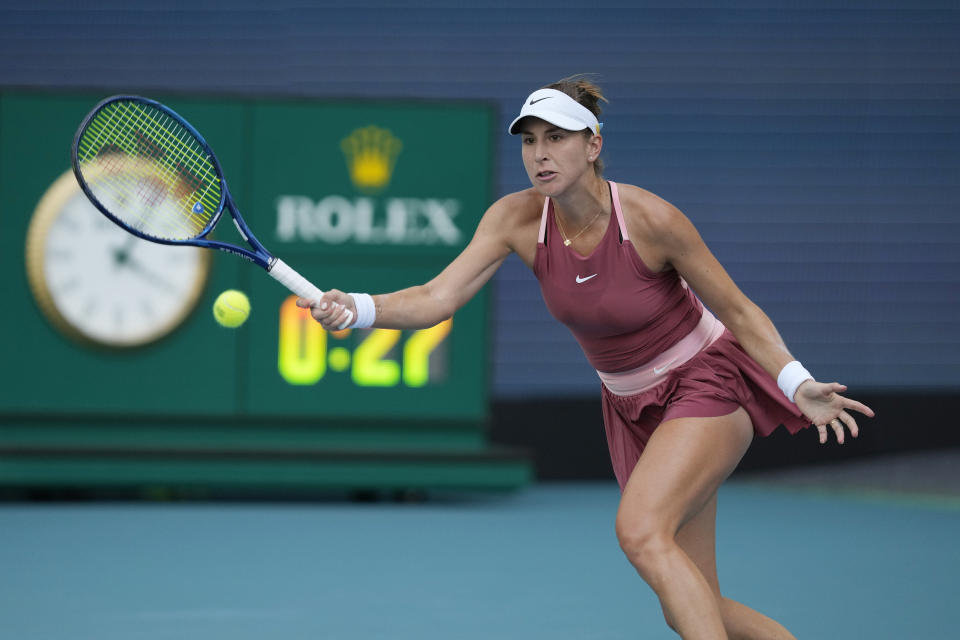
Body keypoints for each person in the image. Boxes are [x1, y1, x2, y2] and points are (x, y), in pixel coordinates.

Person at [300, 75, 874, 640]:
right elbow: (436, 297)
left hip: (706, 384)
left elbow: (741, 312)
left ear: (593, 145)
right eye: (529, 140)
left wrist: (796, 383)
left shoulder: (652, 220)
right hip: (630, 407)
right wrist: (358, 306)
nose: (540, 155)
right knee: (691, 606)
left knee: (641, 531)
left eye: (557, 138)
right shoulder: (515, 219)